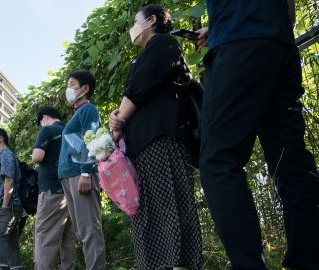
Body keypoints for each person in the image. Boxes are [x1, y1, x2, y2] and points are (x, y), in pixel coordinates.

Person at [195, 1, 319, 269]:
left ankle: (248, 265)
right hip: (279, 43)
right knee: (291, 158)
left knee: (218, 160)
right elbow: (289, 9)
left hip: (238, 41)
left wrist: (229, 25)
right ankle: (309, 260)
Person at [108, 5, 202, 269]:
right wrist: (118, 118)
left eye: (136, 22)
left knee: (170, 204)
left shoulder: (163, 43)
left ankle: (180, 265)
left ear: (150, 20)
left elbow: (138, 88)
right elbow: (135, 89)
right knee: (149, 210)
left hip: (161, 140)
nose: (132, 29)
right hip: (143, 146)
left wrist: (120, 119)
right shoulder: (147, 55)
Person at [58, 70, 106, 270]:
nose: (68, 89)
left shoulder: (89, 110)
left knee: (89, 231)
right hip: (69, 176)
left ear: (85, 88)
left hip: (81, 174)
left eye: (72, 84)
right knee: (80, 231)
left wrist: (86, 172)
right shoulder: (77, 113)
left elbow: (93, 140)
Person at [32, 106, 76, 270]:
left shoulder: (48, 130)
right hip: (70, 191)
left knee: (45, 236)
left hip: (52, 190)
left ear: (44, 117)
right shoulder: (70, 130)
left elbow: (37, 157)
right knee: (67, 239)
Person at [0, 128, 23, 270]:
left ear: (0, 139)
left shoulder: (6, 155)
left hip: (9, 206)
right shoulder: (3, 157)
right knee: (12, 244)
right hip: (12, 206)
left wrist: (4, 205)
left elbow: (9, 180)